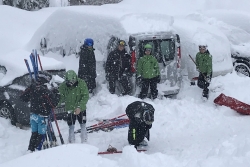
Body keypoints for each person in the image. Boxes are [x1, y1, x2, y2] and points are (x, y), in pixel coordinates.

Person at [20, 74, 59, 152]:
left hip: (33, 115)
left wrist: (31, 89)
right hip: (42, 117)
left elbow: (23, 97)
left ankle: (30, 149)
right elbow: (53, 104)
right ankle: (37, 151)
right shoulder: (46, 91)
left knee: (34, 133)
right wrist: (56, 93)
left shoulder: (32, 88)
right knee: (41, 134)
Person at [58, 70, 89, 143]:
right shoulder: (63, 86)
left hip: (81, 109)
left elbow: (85, 96)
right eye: (69, 82)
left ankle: (84, 141)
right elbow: (60, 98)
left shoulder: (81, 83)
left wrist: (79, 107)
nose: (71, 84)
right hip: (70, 109)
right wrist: (54, 105)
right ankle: (72, 142)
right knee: (71, 126)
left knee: (83, 124)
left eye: (73, 81)